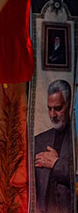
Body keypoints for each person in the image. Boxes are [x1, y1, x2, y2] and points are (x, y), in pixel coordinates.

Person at [34, 79, 74, 213]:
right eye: (49, 108)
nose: (52, 115)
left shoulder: (75, 138)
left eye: (58, 108)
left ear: (68, 105)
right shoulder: (39, 140)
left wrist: (56, 164)